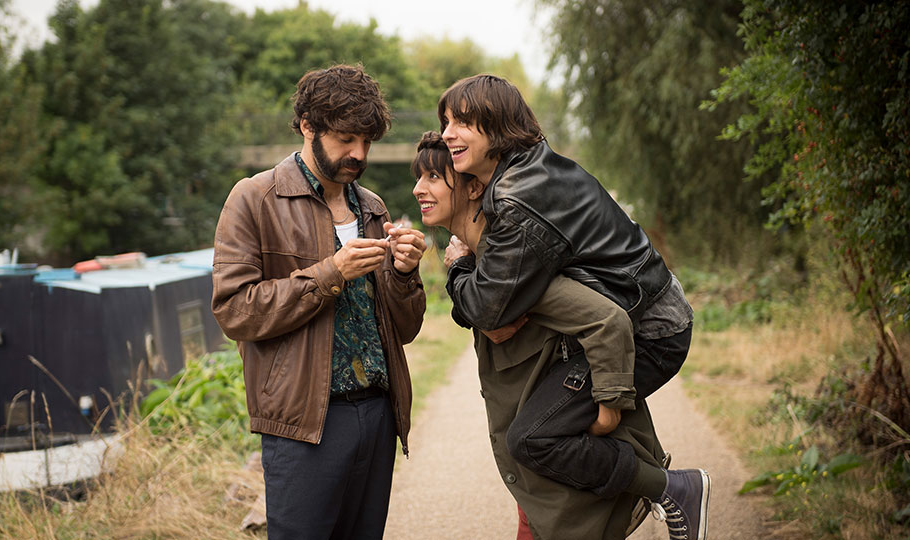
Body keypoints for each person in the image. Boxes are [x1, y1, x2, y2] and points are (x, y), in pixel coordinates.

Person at [436, 74, 711, 540]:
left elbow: (488, 309)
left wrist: (459, 267)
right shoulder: (530, 172)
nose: (447, 134)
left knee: (534, 436)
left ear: (498, 125)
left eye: (462, 122)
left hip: (652, 331)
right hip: (644, 315)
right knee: (548, 420)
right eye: (445, 122)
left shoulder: (519, 198)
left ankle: (672, 489)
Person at [211, 64, 427, 540]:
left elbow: (404, 331)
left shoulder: (372, 207)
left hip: (377, 416)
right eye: (347, 139)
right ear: (308, 125)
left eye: (367, 141)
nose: (359, 154)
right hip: (303, 426)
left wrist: (405, 274)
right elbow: (234, 309)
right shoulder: (253, 199)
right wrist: (331, 272)